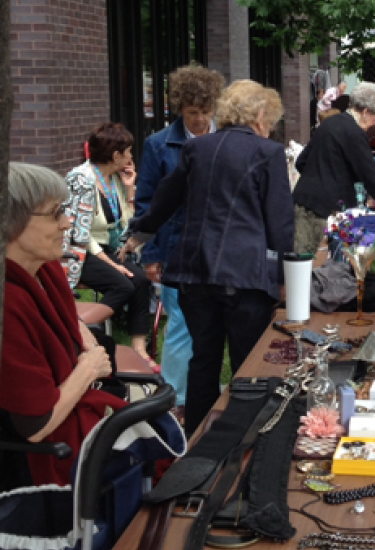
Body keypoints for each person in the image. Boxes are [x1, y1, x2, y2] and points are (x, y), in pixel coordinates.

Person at [120, 80, 294, 437]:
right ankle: (244, 438)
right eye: (270, 119)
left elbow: (165, 199)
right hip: (244, 273)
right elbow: (279, 222)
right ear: (260, 115)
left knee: (204, 360)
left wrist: (139, 234)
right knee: (249, 362)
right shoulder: (268, 153)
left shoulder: (196, 148)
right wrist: (286, 279)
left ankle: (197, 439)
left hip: (194, 271)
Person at [1, 162, 126, 486]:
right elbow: (36, 425)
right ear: (10, 222)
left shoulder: (45, 268)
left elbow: (68, 316)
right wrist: (88, 367)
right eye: (55, 213)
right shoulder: (8, 304)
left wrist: (86, 342)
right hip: (35, 472)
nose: (67, 222)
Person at [133, 64, 225, 425]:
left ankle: (203, 390)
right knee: (182, 324)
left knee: (213, 326)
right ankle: (172, 400)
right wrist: (151, 253)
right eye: (192, 114)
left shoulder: (228, 138)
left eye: (205, 112)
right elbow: (147, 202)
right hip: (177, 246)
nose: (200, 120)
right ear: (179, 110)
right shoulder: (158, 145)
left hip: (220, 246)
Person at [62, 122, 155, 367]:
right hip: (80, 251)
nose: (132, 157)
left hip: (105, 249)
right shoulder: (81, 180)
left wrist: (129, 188)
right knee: (123, 285)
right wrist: (112, 265)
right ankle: (82, 332)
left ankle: (138, 347)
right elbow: (79, 233)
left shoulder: (114, 180)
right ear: (116, 155)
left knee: (141, 281)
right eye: (128, 151)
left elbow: (125, 222)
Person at [292, 82, 375, 254]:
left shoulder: (329, 122)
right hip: (326, 209)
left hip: (303, 201)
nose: (374, 124)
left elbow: (301, 162)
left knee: (300, 261)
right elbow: (370, 174)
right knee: (317, 263)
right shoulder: (354, 132)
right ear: (365, 112)